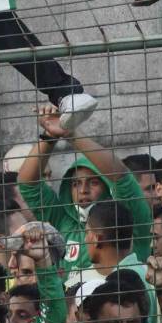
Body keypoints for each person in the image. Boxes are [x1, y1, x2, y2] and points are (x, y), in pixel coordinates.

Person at [18, 106, 152, 277]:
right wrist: (50, 135)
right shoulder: (62, 219)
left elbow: (122, 180)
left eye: (93, 183)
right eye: (76, 184)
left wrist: (70, 133)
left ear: (107, 186)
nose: (83, 190)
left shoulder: (126, 219)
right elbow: (27, 184)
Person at [83, 200, 159, 323]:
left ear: (97, 239)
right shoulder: (143, 271)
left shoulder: (123, 281)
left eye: (87, 232)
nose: (85, 240)